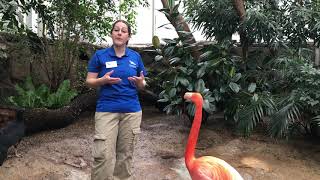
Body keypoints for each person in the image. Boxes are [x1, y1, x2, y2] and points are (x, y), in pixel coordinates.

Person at [86, 20, 147, 180]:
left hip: (131, 112)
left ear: (128, 36)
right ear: (112, 33)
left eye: (124, 31)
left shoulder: (135, 57)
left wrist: (141, 83)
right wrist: (102, 80)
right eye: (116, 30)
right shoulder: (100, 56)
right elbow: (89, 81)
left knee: (125, 155)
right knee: (103, 155)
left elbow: (142, 82)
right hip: (106, 110)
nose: (119, 33)